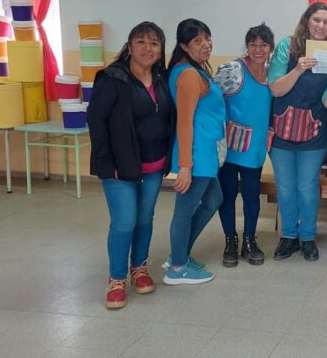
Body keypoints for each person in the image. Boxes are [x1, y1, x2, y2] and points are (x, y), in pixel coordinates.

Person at [88, 21, 174, 309]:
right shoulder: (112, 78)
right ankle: (116, 279)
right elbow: (96, 121)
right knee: (124, 221)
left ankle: (139, 267)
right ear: (130, 46)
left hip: (154, 164)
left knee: (144, 219)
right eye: (141, 42)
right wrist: (105, 162)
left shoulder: (161, 78)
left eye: (154, 43)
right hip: (119, 167)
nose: (148, 48)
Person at [269, 2, 327, 262]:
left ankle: (307, 237)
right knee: (285, 188)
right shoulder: (287, 46)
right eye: (317, 20)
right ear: (307, 20)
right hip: (282, 128)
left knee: (307, 186)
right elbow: (276, 89)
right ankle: (288, 236)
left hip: (314, 130)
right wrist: (298, 69)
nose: (321, 25)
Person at [162, 18, 226, 285]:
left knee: (214, 200)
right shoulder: (188, 74)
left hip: (205, 153)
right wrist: (185, 166)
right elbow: (184, 121)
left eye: (207, 38)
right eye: (197, 41)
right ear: (184, 46)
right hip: (196, 154)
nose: (206, 44)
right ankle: (177, 268)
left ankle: (180, 255)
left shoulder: (195, 69)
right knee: (185, 211)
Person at [213, 24, 274, 267]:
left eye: (263, 45)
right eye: (253, 44)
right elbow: (210, 98)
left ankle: (250, 240)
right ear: (246, 46)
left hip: (255, 147)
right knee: (227, 196)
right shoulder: (233, 70)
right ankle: (230, 240)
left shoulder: (272, 74)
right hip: (229, 147)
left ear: (270, 48)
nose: (258, 49)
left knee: (251, 196)